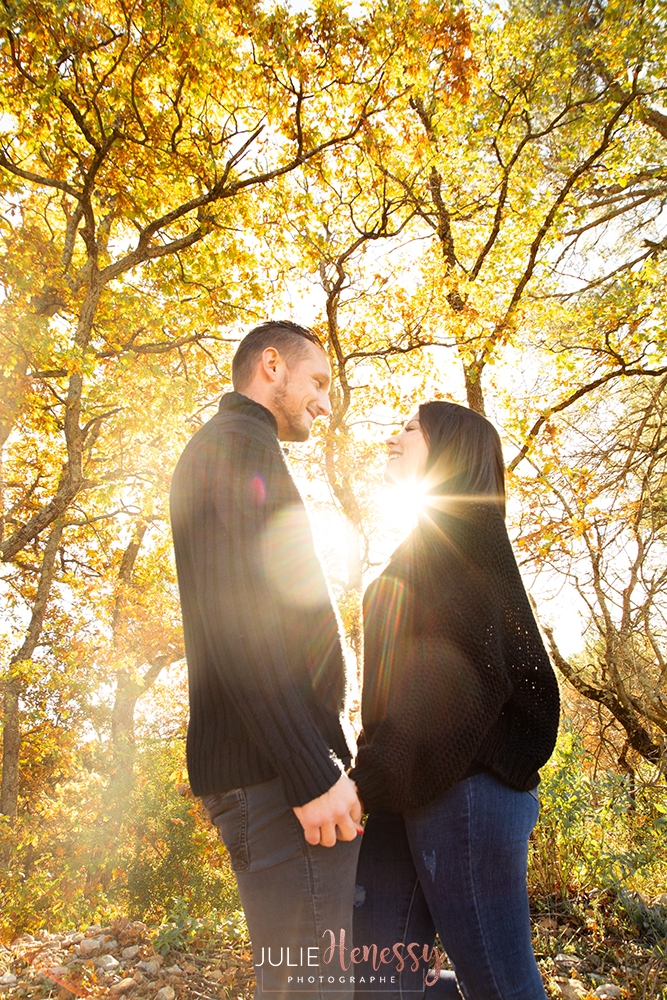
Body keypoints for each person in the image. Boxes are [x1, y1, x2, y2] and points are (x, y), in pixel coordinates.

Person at [170, 321, 363, 1000]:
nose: (324, 403)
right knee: (310, 988)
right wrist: (311, 770)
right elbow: (241, 624)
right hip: (277, 779)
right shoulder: (232, 448)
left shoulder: (240, 448)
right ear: (271, 366)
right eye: (318, 382)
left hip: (275, 772)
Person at [349, 401, 560, 1000]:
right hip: (403, 789)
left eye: (411, 428)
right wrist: (377, 778)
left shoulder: (463, 540)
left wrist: (367, 778)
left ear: (450, 450)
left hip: (468, 790)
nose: (394, 435)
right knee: (377, 982)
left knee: (497, 983)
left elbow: (460, 680)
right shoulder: (421, 545)